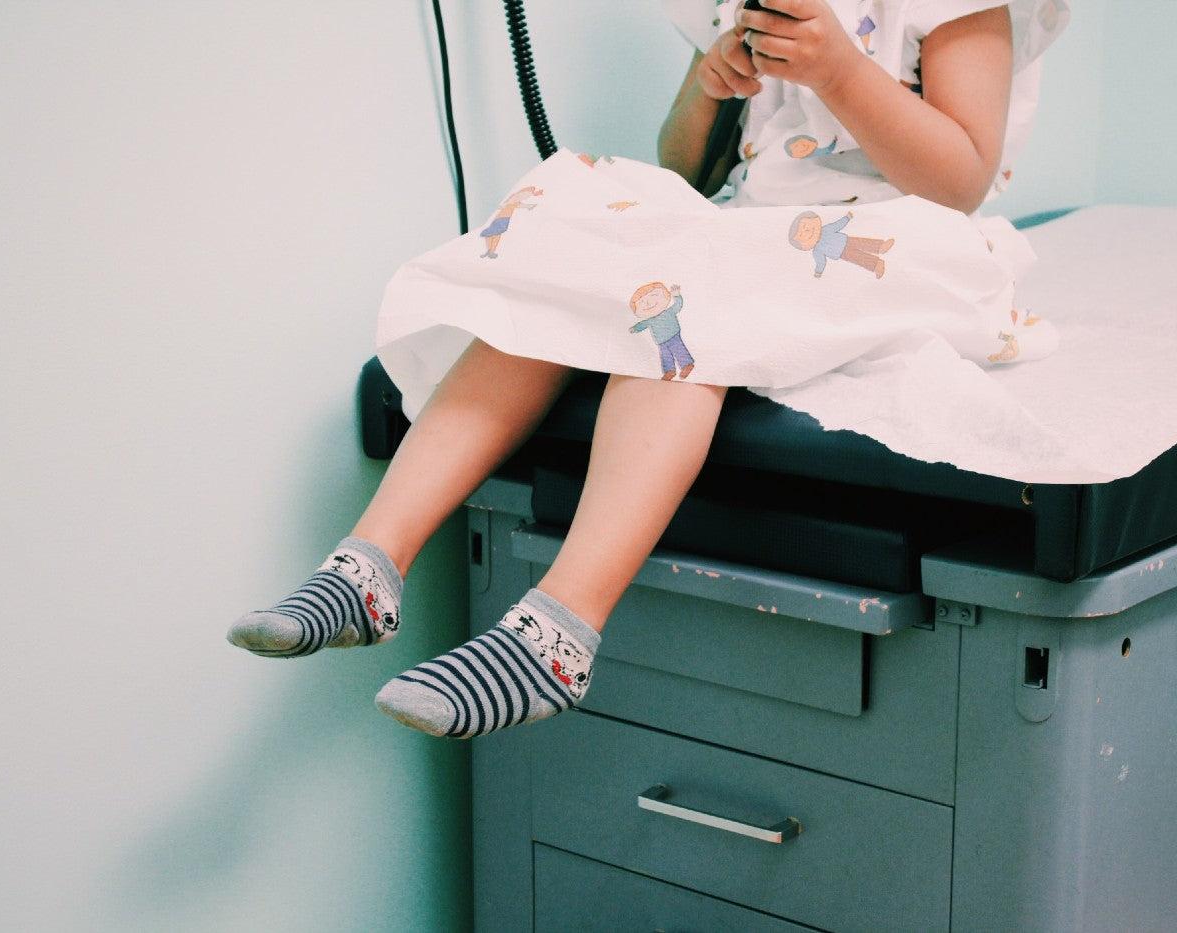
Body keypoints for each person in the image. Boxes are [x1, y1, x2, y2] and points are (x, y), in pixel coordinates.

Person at [227, 0, 1069, 739]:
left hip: (899, 244)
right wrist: (712, 83)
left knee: (684, 321)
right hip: (757, 229)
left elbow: (960, 176)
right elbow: (684, 169)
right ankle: (368, 567)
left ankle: (560, 635)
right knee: (561, 282)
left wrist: (841, 70)